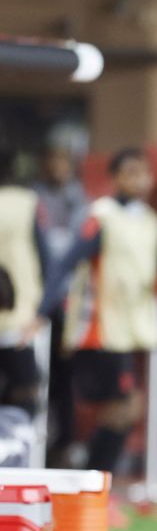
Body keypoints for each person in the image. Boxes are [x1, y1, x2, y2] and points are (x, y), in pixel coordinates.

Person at [31, 147, 157, 473]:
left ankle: (93, 484)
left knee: (122, 409)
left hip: (130, 332)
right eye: (130, 173)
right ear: (114, 179)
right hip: (99, 332)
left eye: (143, 172)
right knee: (124, 408)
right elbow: (68, 261)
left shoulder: (150, 220)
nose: (139, 180)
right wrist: (41, 311)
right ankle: (93, 481)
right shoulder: (102, 217)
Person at [31, 143, 89, 459]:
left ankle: (65, 442)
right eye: (51, 159)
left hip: (70, 300)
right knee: (36, 372)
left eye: (62, 161)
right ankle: (34, 440)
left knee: (67, 376)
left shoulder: (81, 201)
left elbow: (78, 252)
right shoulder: (33, 198)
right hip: (36, 300)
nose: (57, 167)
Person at [0, 146, 50, 420]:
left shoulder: (25, 202)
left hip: (18, 313)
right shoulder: (26, 202)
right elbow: (47, 259)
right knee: (24, 392)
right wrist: (43, 308)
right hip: (21, 315)